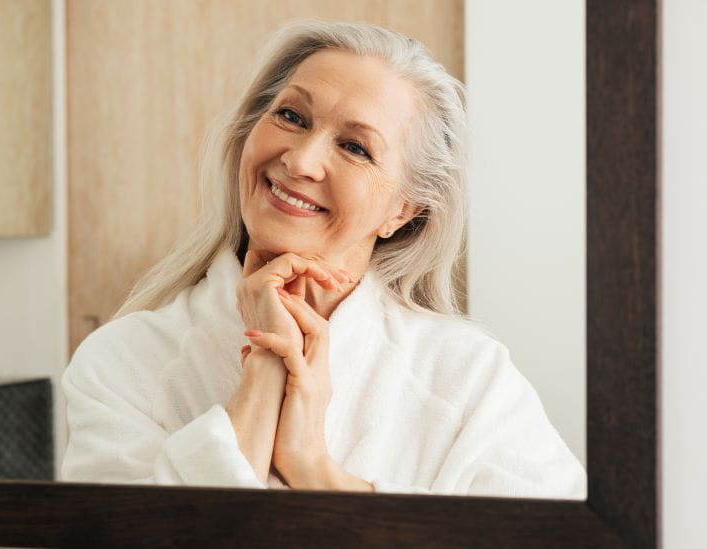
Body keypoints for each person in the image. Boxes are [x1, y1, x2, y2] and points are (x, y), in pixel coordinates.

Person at [60, 18, 586, 498]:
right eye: (291, 115)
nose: (301, 160)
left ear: (404, 210)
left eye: (357, 148)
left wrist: (312, 466)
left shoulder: (468, 377)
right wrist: (266, 369)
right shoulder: (122, 360)